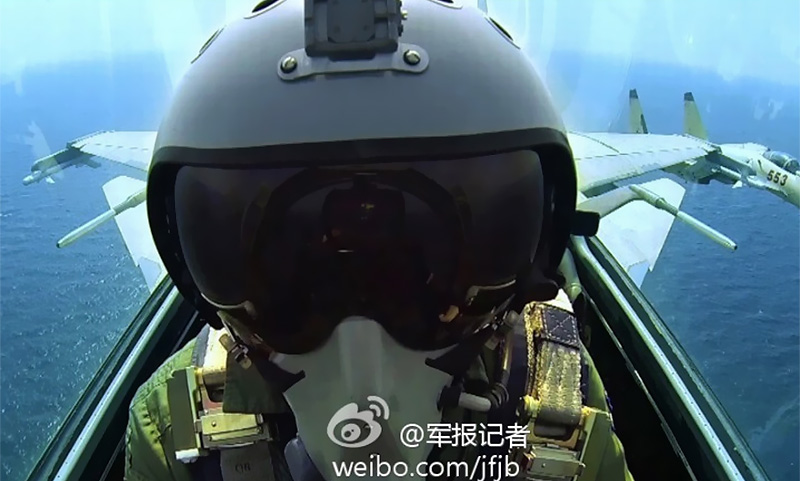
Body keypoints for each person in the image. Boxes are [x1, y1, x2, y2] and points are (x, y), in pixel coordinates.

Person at [124, 0, 634, 480]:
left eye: (400, 267)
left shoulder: (174, 428)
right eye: (316, 269)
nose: (360, 354)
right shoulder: (171, 423)